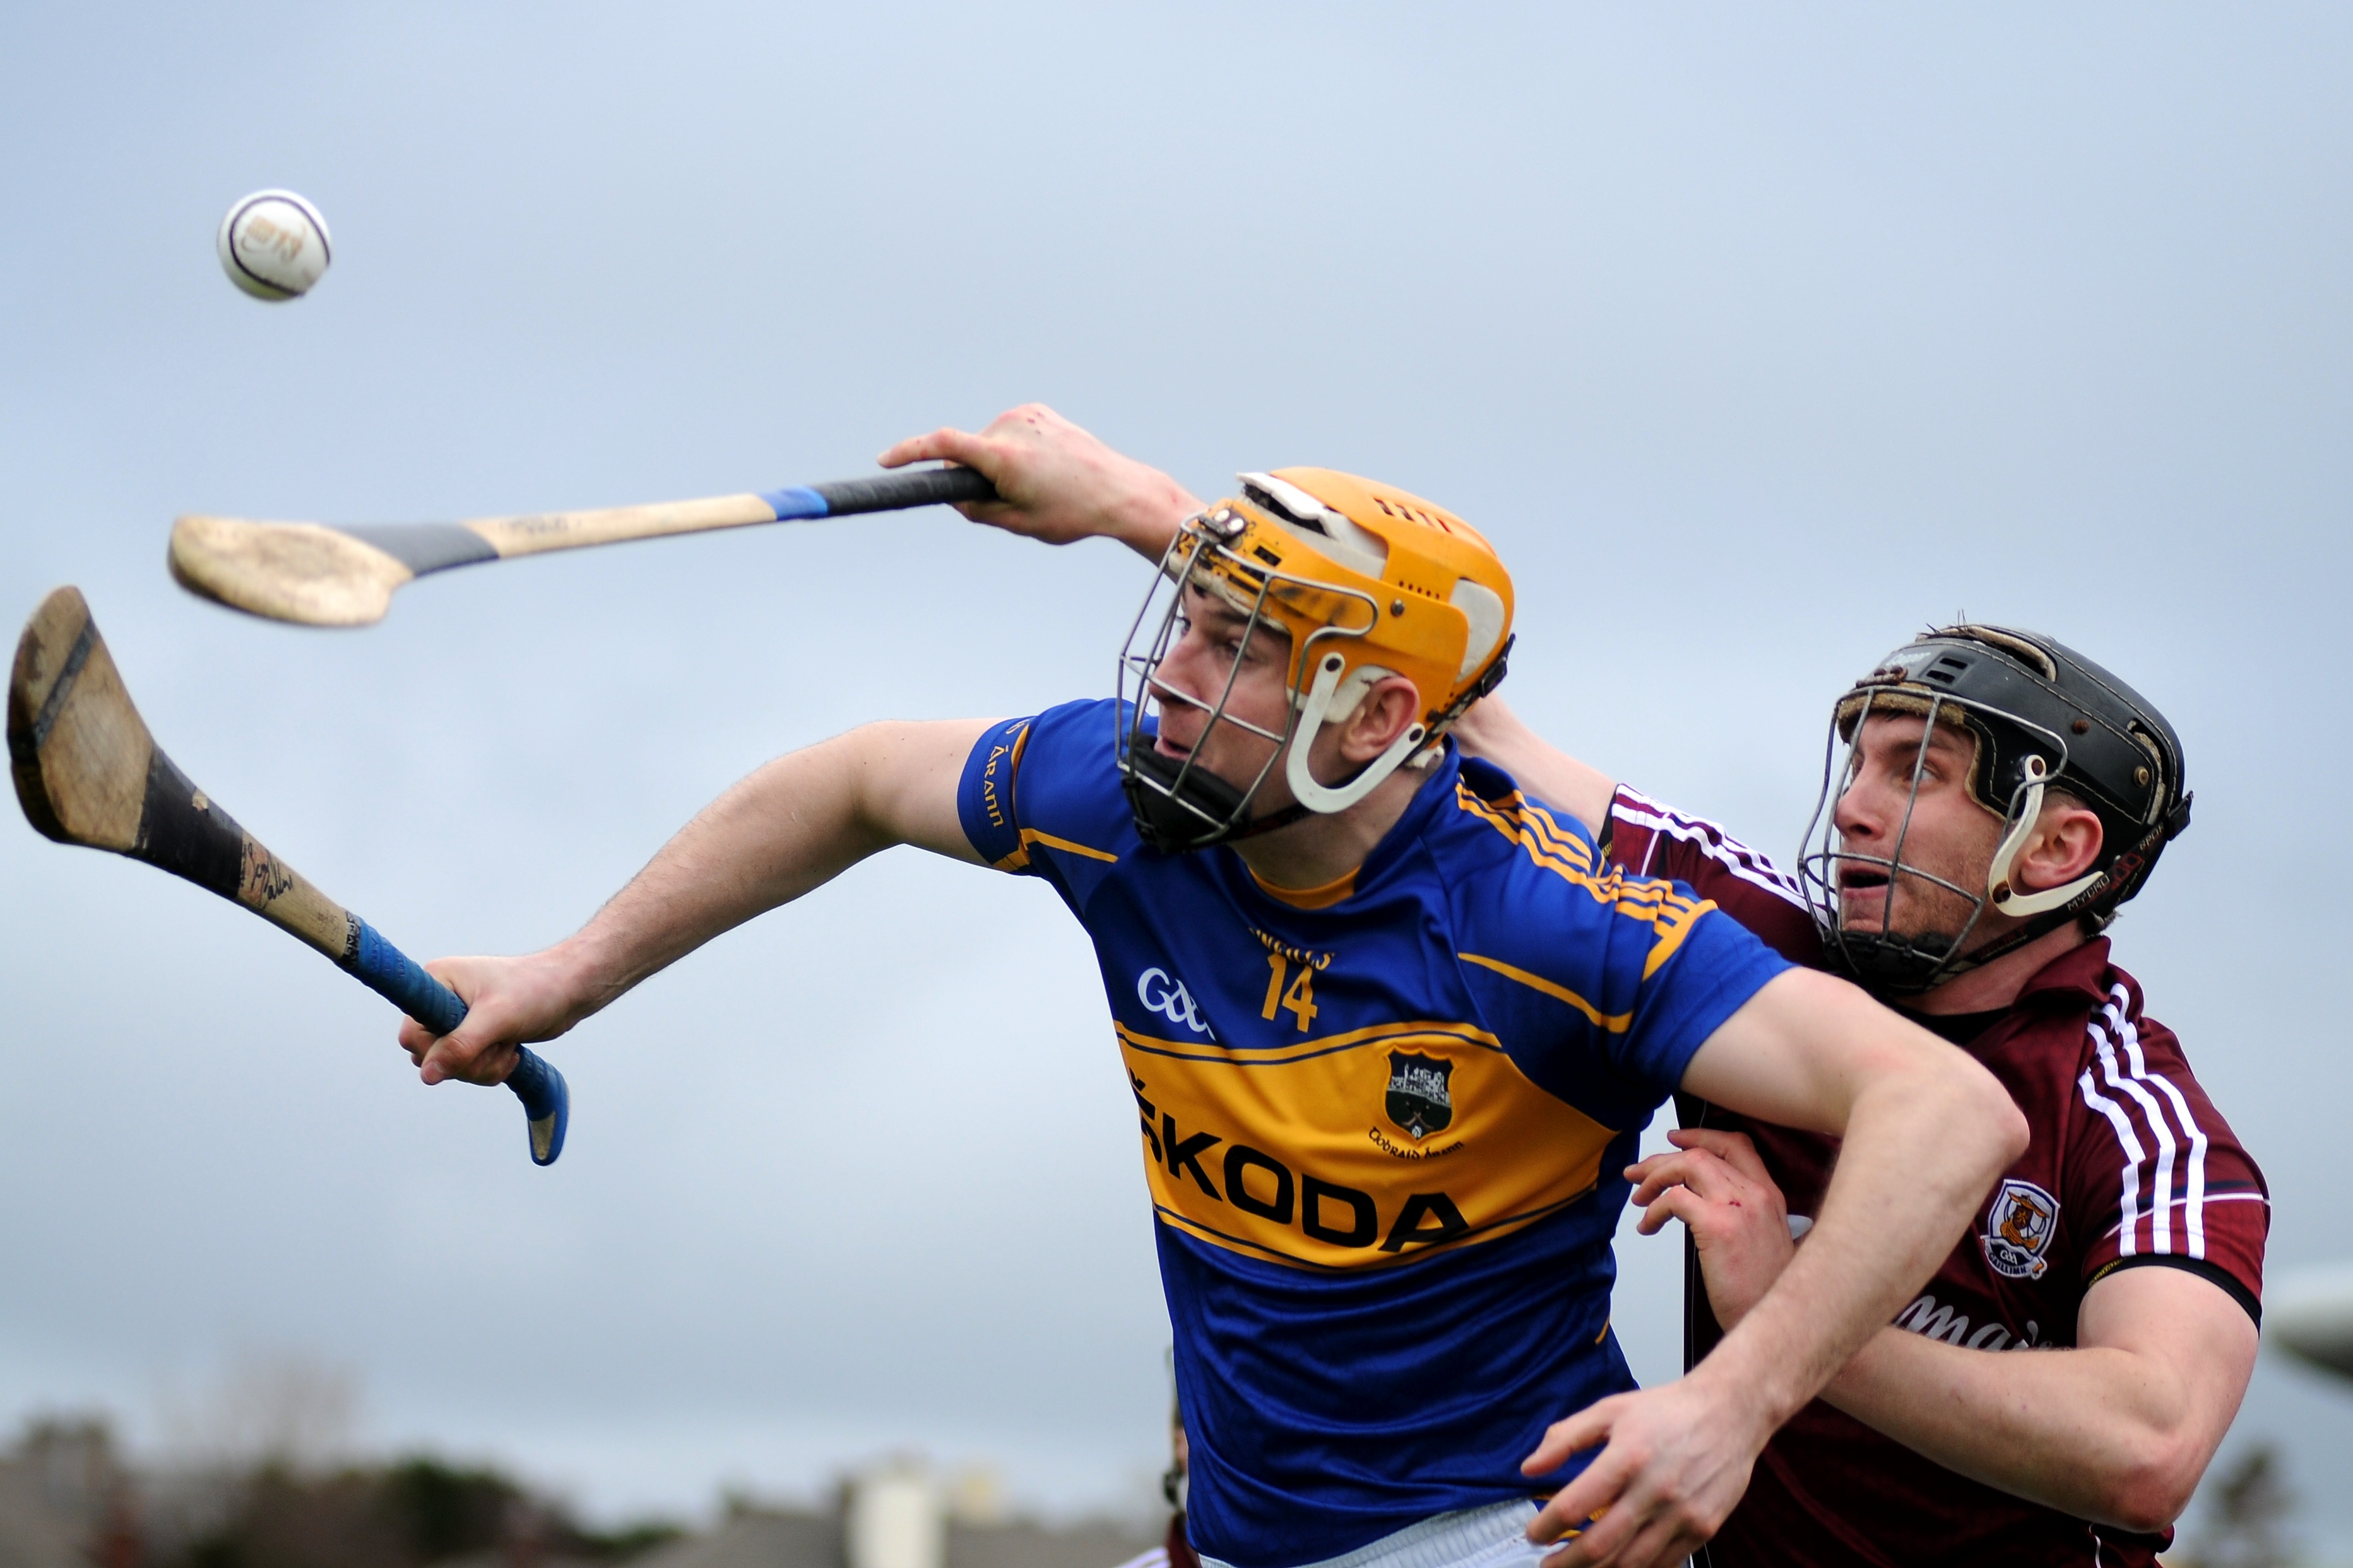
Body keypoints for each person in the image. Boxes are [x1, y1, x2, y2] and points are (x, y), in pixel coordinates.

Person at [396, 407, 2026, 1568]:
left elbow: (1947, 1107)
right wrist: (561, 975)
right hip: (1240, 1533)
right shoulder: (1122, 795)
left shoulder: (1549, 928)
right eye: (1186, 615)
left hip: (1493, 1530)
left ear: (1377, 717)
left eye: (1238, 647)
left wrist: (1734, 1403)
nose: (1172, 672)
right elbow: (848, 780)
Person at [1454, 646, 2269, 1567]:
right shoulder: (1762, 953)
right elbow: (1480, 731)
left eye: (1918, 770)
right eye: (1858, 762)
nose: (1851, 805)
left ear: (2054, 849)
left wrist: (1787, 1312)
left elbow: (2148, 1447)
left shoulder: (2142, 1123)